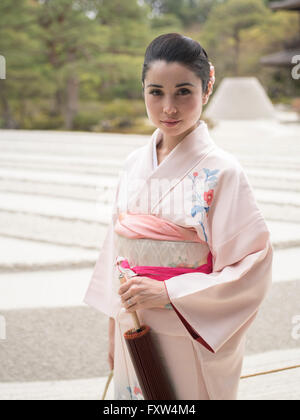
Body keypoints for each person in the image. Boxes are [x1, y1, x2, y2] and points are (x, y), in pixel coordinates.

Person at [83, 33, 273, 400]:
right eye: (156, 92)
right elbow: (117, 252)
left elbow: (253, 264)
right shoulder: (133, 163)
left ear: (207, 87)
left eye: (183, 91)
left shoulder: (223, 172)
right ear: (143, 90)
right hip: (133, 324)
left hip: (187, 329)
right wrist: (113, 328)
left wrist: (170, 291)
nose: (168, 107)